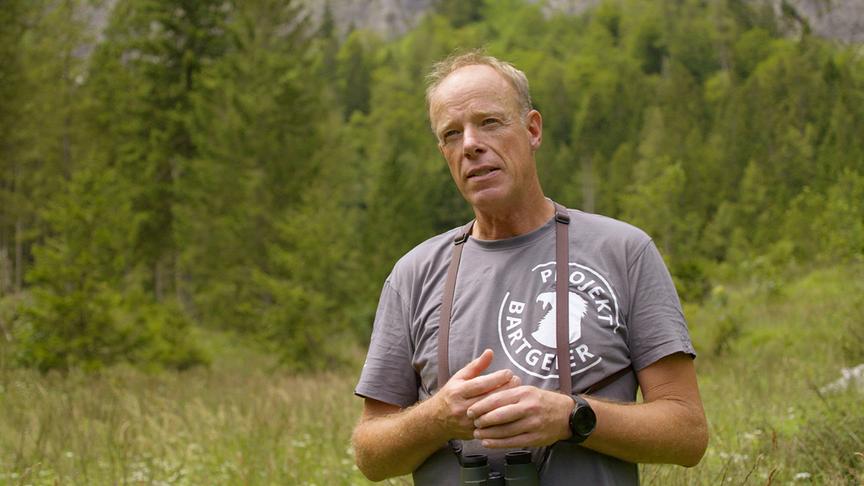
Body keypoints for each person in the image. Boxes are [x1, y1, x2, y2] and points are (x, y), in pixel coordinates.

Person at [351, 50, 708, 484]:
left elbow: (688, 434)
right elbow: (371, 456)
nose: (471, 144)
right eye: (451, 133)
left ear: (532, 129)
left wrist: (573, 417)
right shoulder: (413, 275)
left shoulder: (623, 251)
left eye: (489, 122)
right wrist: (437, 418)